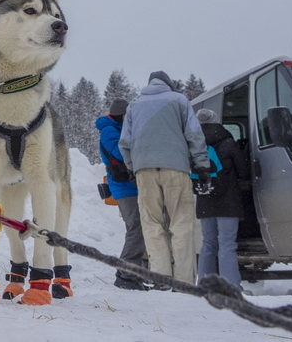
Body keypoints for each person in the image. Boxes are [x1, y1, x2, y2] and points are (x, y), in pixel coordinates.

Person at [119, 71, 211, 287]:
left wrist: (132, 167)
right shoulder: (179, 100)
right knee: (181, 223)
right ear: (168, 84)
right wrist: (202, 164)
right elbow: (194, 134)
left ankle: (161, 279)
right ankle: (184, 282)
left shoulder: (134, 104)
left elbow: (125, 142)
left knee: (152, 224)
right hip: (175, 168)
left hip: (144, 170)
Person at [95, 98, 148, 290]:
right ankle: (126, 274)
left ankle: (134, 273)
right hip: (124, 186)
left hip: (129, 185)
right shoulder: (110, 130)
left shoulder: (118, 128)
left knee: (138, 228)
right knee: (136, 228)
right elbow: (120, 153)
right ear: (122, 115)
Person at [195, 108, 251, 288]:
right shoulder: (228, 142)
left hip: (205, 199)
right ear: (216, 120)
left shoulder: (194, 144)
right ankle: (231, 286)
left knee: (208, 243)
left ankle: (204, 285)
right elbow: (243, 172)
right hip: (228, 201)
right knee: (227, 244)